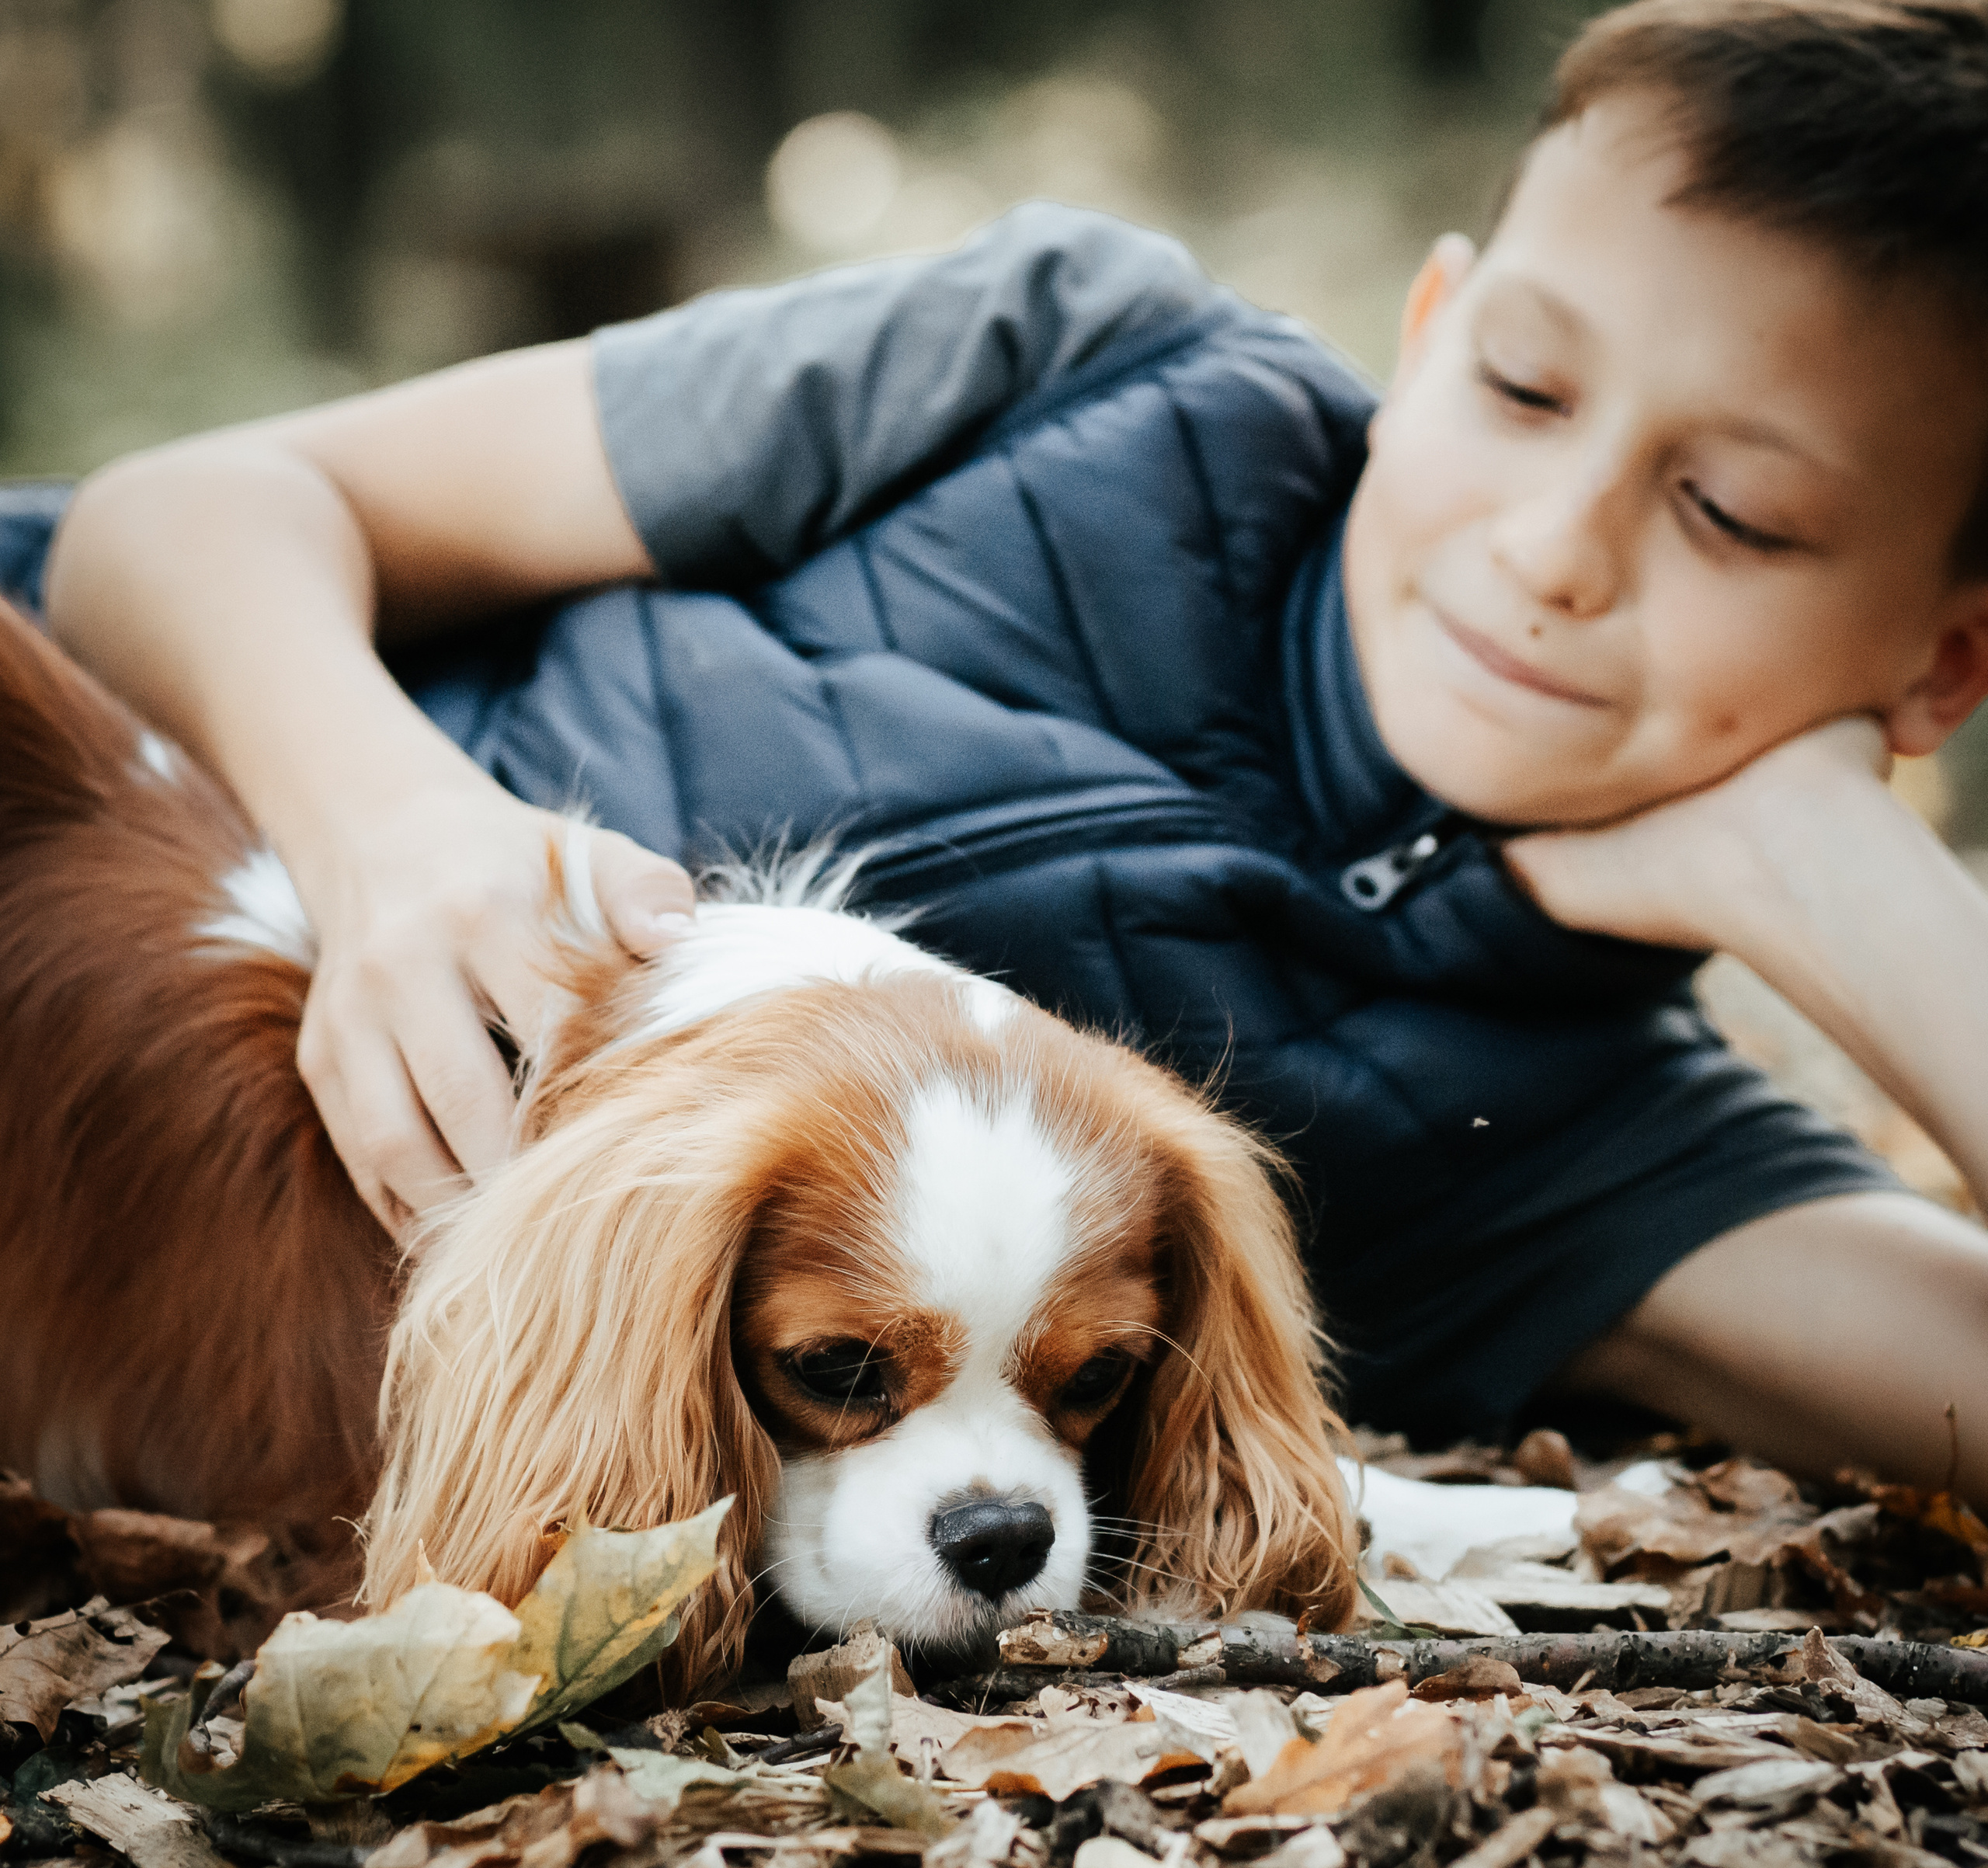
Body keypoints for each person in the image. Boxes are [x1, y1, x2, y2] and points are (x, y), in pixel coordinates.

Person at [17, 0, 1988, 1495]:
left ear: (1936, 661)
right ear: (1429, 318)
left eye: (1731, 511)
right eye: (1522, 384)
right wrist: (390, 833)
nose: (1549, 547)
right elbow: (174, 523)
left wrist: (1844, 878)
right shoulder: (1083, 356)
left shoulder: (1594, 1151)